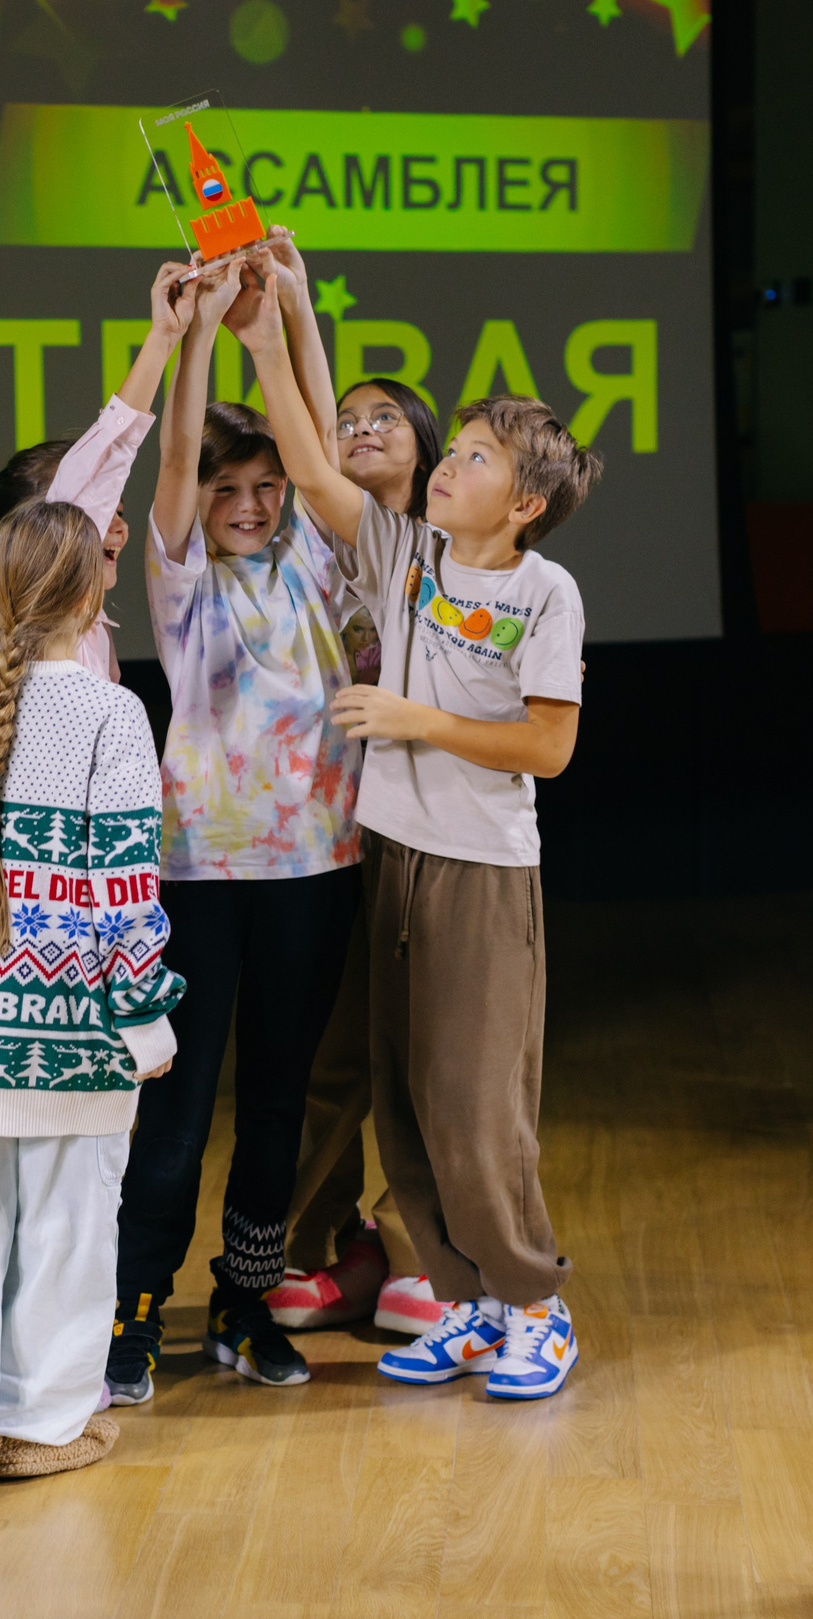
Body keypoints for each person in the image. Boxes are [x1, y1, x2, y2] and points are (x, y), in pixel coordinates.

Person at [243, 262, 599, 1403]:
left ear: (526, 502)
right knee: (400, 1096)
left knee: (474, 1098)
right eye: (457, 450)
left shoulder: (545, 594)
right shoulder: (404, 558)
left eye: (478, 457)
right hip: (390, 857)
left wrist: (413, 720)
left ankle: (536, 1306)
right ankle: (465, 1305)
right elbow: (306, 463)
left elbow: (547, 749)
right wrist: (275, 325)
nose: (449, 463)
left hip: (481, 875)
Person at [0, 501, 186, 1504]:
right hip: (72, 1039)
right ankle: (41, 1423)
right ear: (93, 593)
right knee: (66, 1236)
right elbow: (122, 890)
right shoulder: (112, 713)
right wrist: (144, 1018)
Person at [100, 251, 357, 1404]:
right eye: (224, 490)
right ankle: (136, 1309)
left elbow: (318, 439)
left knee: (276, 1100)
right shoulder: (179, 577)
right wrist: (198, 332)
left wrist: (294, 314)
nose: (249, 505)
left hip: (316, 865)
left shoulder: (311, 556)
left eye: (262, 486)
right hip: (195, 871)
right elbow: (171, 452)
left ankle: (244, 1302)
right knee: (177, 1097)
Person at [267, 374, 448, 1337]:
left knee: (412, 1048)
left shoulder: (453, 556)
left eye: (386, 418)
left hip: (419, 831)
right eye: (346, 420)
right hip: (314, 830)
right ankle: (321, 1243)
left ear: (428, 448)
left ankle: (416, 1244)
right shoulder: (300, 543)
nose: (361, 429)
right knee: (327, 1047)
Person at [0, 262, 192, 678]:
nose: (118, 529)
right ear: (29, 531)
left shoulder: (90, 628)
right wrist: (163, 337)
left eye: (119, 512)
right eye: (99, 510)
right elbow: (111, 449)